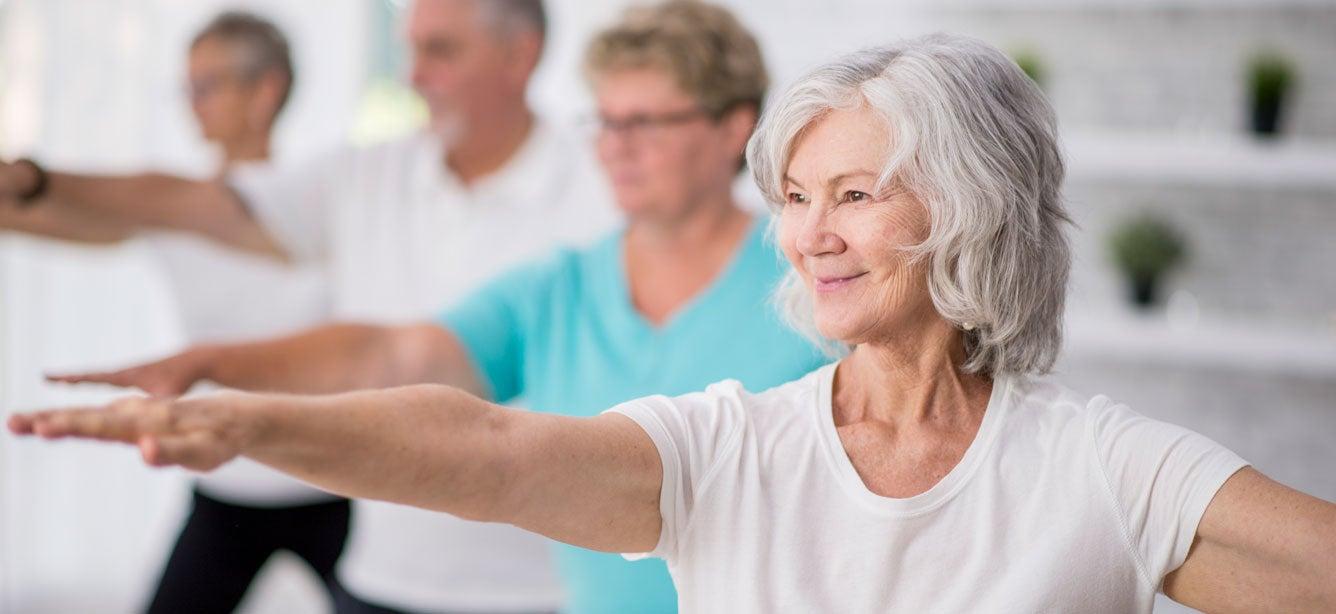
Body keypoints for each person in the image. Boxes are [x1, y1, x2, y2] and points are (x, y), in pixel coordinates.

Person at [13, 32, 1336, 614]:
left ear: (978, 207)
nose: (811, 231)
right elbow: (476, 444)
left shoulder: (1104, 469)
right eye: (798, 197)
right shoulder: (730, 449)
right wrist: (244, 416)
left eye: (858, 195)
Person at [42, 3, 826, 612]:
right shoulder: (560, 286)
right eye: (606, 120)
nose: (616, 144)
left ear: (733, 129)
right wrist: (218, 371)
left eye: (646, 122)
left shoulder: (813, 279)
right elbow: (396, 357)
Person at [1, 1, 617, 612]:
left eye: (442, 50)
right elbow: (188, 203)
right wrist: (33, 182)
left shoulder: (607, 182)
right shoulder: (363, 177)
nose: (414, 75)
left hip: (545, 585)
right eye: (412, 48)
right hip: (380, 571)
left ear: (520, 55)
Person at [1, 12, 346, 614]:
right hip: (227, 480)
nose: (192, 104)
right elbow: (50, 216)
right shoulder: (168, 215)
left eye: (207, 85)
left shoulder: (319, 198)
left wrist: (31, 177)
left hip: (330, 482)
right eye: (187, 87)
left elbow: (176, 200)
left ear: (265, 90)